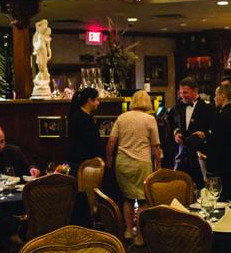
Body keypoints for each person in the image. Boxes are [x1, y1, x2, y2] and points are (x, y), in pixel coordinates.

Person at [106, 90, 162, 239]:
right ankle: (140, 236)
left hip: (122, 163)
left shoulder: (122, 118)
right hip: (142, 163)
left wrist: (109, 160)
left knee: (128, 198)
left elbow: (111, 141)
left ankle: (129, 231)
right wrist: (158, 166)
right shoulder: (150, 119)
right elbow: (156, 147)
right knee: (143, 199)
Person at [166, 77, 213, 188]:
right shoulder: (177, 107)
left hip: (200, 156)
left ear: (195, 90)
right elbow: (171, 123)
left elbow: (214, 130)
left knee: (202, 188)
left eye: (185, 92)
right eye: (181, 93)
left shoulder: (208, 108)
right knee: (178, 187)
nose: (182, 95)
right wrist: (176, 133)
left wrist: (205, 134)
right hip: (181, 155)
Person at [67, 87, 102, 174]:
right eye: (97, 100)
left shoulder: (80, 115)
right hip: (82, 163)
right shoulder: (81, 117)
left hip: (81, 160)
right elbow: (89, 140)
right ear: (89, 100)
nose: (98, 103)